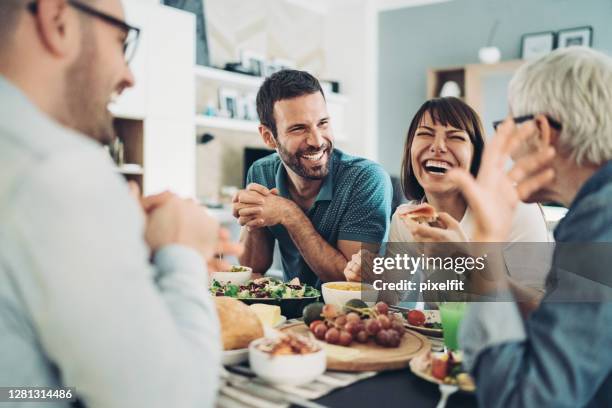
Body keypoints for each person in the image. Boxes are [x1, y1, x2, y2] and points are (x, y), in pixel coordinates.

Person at [0, 0, 239, 406]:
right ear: (57, 21)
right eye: (121, 42)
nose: (129, 76)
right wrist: (181, 251)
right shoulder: (59, 170)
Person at [448, 47, 612, 407]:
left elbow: (524, 400)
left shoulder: (600, 222)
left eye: (507, 129)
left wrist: (487, 243)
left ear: (539, 131)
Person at [344, 97, 550, 304]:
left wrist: (465, 261)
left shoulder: (515, 207)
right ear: (409, 150)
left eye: (455, 137)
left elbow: (540, 307)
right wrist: (372, 280)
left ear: (476, 155)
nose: (438, 146)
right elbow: (391, 299)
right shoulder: (406, 219)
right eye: (425, 134)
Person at [232, 69, 392, 287]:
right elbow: (253, 267)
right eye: (299, 129)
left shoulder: (365, 179)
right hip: (294, 315)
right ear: (269, 137)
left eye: (323, 123)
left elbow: (351, 281)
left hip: (355, 314)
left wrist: (290, 215)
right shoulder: (261, 172)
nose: (317, 141)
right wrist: (253, 218)